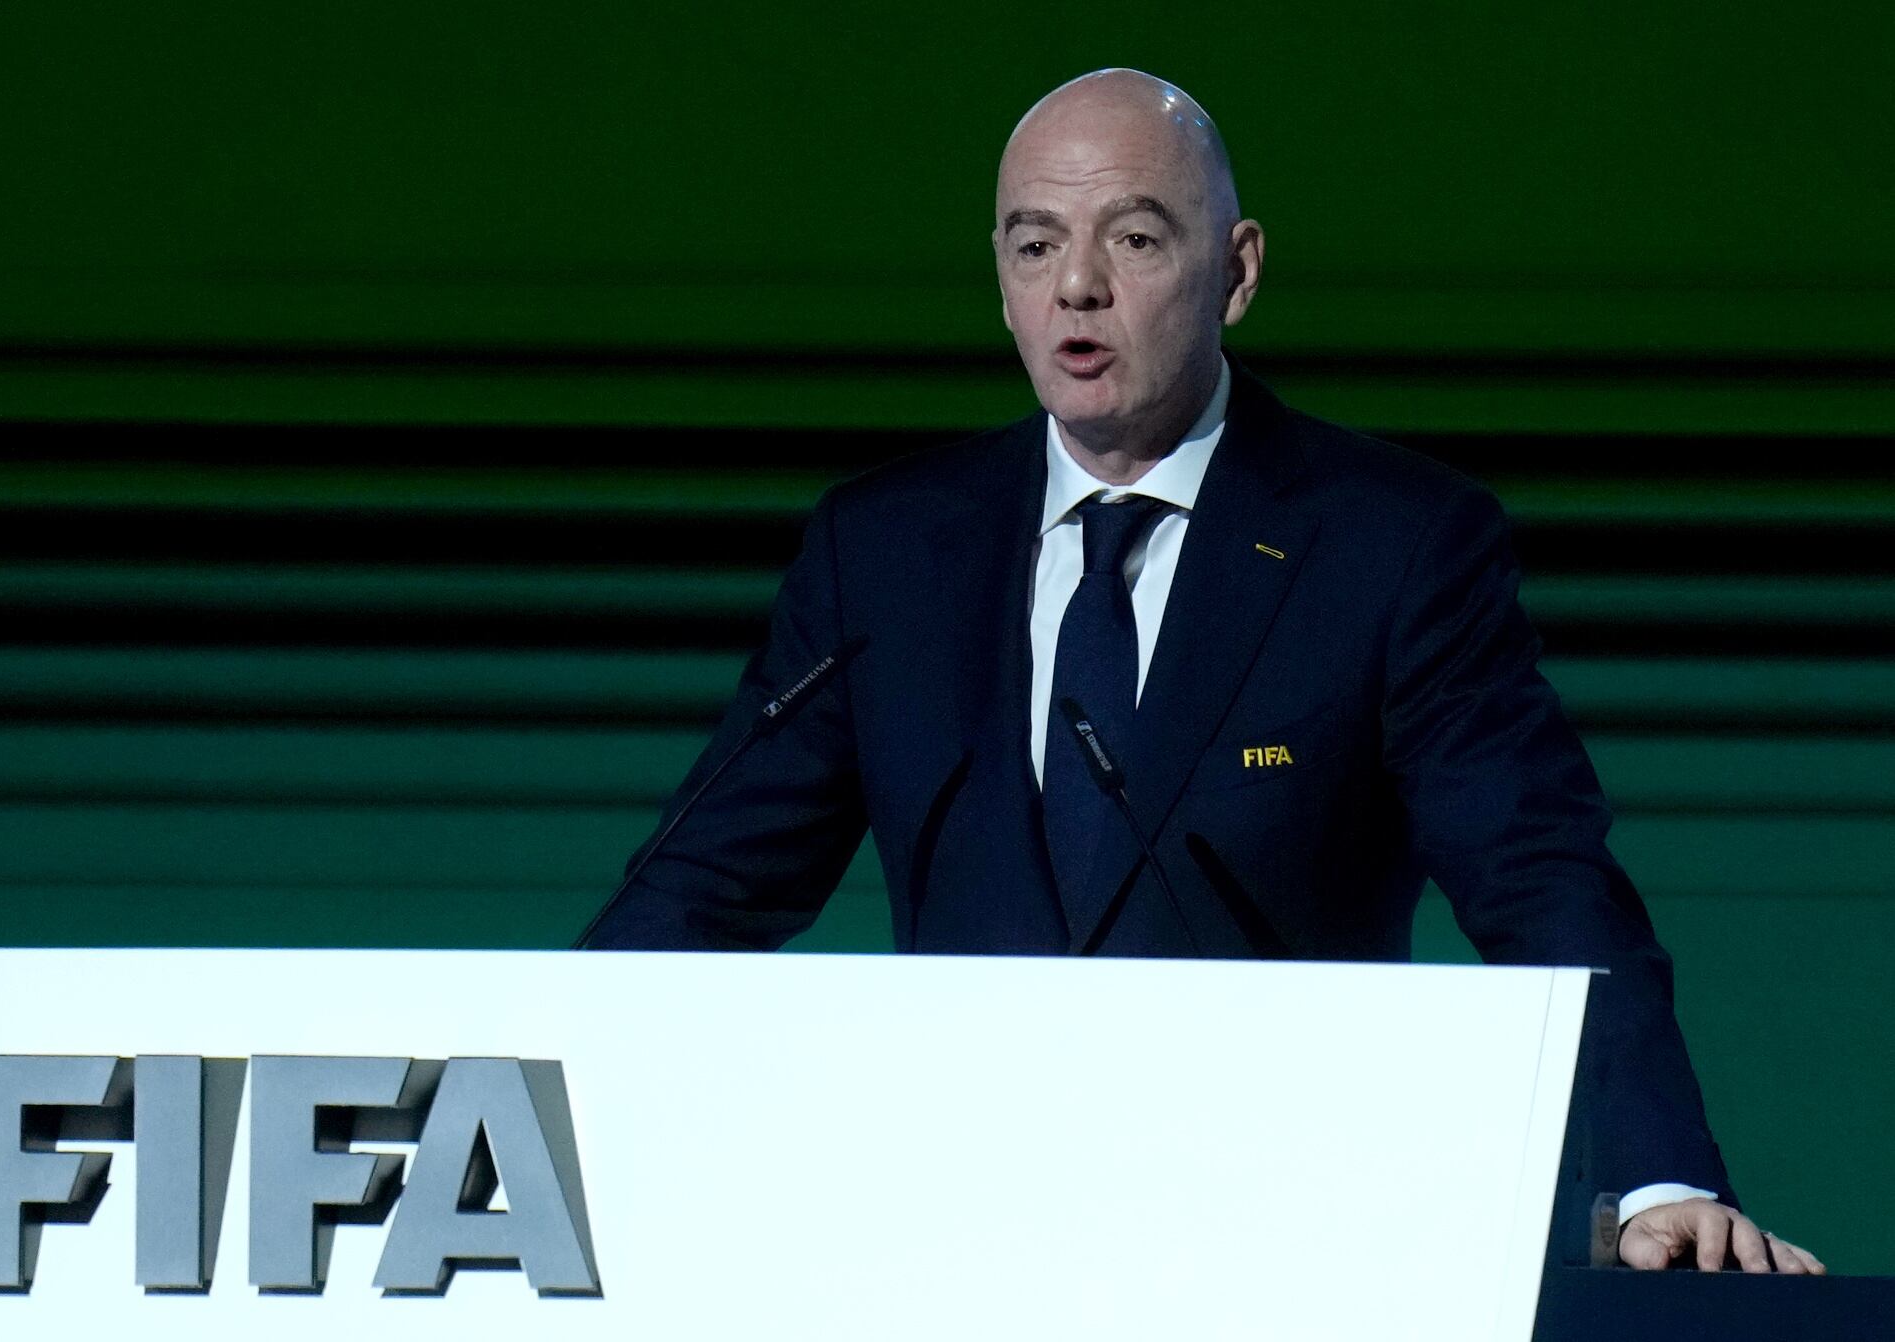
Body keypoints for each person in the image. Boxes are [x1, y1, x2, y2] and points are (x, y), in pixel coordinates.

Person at [579, 68, 1824, 1275]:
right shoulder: (889, 551)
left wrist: (1661, 1177)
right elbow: (702, 891)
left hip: (1284, 1240)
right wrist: (515, 1100)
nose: (1076, 287)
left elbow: (1543, 882)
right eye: (1032, 246)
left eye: (1133, 240)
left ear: (1236, 273)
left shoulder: (1389, 544)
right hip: (952, 1236)